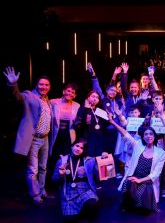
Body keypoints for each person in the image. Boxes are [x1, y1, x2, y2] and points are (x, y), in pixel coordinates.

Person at [4, 66, 53, 205]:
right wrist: (13, 84)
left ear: (49, 87)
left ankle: (42, 191)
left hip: (45, 138)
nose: (44, 86)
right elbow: (17, 96)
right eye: (41, 84)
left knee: (44, 167)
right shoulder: (29, 95)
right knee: (33, 169)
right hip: (34, 139)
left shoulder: (47, 100)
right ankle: (35, 195)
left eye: (46, 84)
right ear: (37, 85)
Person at [110, 117, 165, 213]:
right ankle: (126, 203)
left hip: (147, 180)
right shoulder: (138, 145)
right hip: (134, 177)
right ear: (143, 137)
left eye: (151, 134)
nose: (148, 136)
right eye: (146, 134)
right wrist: (112, 122)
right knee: (128, 183)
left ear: (154, 136)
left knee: (144, 208)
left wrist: (140, 180)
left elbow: (156, 174)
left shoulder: (161, 152)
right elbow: (125, 134)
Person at [52, 139, 103, 222]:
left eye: (81, 148)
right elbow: (54, 179)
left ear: (84, 150)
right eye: (77, 146)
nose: (78, 149)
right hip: (68, 191)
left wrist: (103, 160)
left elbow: (99, 176)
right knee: (69, 219)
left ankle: (84, 213)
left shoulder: (89, 161)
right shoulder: (62, 160)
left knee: (92, 203)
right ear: (72, 146)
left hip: (84, 189)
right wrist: (61, 174)